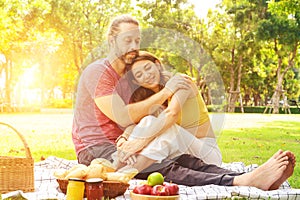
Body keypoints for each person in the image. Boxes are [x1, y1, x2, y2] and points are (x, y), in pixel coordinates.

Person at [72, 14, 296, 190]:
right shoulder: (98, 72)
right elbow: (122, 116)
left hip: (125, 144)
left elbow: (140, 120)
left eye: (137, 40)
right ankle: (238, 183)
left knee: (182, 159)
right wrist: (165, 93)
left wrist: (129, 139)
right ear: (112, 40)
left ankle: (248, 177)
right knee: (161, 166)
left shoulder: (130, 78)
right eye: (127, 40)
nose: (134, 45)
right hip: (96, 149)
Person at [112, 51, 222, 172]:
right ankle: (115, 168)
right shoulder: (153, 98)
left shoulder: (181, 81)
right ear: (136, 82)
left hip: (207, 154)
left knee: (171, 130)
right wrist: (124, 140)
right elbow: (138, 125)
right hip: (181, 154)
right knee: (148, 120)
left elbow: (171, 114)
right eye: (139, 74)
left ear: (158, 65)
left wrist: (140, 143)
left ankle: (128, 172)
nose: (146, 75)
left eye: (148, 68)